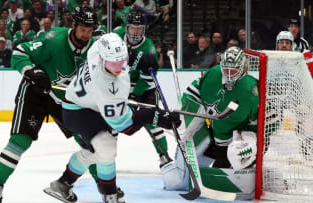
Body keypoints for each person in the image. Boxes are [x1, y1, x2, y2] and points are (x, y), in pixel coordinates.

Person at [44, 32, 181, 203]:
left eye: (121, 59)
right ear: (102, 59)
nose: (118, 66)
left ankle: (62, 184)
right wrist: (155, 116)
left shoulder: (97, 49)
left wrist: (135, 57)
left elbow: (111, 41)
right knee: (106, 147)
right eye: (113, 61)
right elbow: (126, 126)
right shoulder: (109, 88)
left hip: (88, 103)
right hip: (77, 110)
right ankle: (109, 194)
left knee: (94, 150)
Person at [0, 5, 98, 203]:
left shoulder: (95, 50)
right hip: (35, 92)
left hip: (65, 99)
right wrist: (31, 71)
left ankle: (92, 188)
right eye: (83, 29)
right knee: (20, 140)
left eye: (90, 30)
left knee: (91, 144)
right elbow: (19, 52)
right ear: (73, 25)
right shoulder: (52, 39)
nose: (86, 34)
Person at [163, 46, 259, 198]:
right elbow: (193, 94)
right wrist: (184, 117)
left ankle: (247, 175)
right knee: (182, 165)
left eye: (233, 70)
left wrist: (251, 142)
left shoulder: (251, 90)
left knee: (235, 155)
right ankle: (176, 171)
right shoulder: (213, 74)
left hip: (235, 136)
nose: (228, 74)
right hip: (213, 131)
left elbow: (256, 122)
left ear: (243, 68)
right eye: (225, 68)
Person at [113, 8, 173, 171]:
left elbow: (147, 78)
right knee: (113, 120)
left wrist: (135, 93)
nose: (136, 32)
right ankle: (107, 155)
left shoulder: (149, 48)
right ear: (127, 28)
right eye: (133, 28)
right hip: (121, 85)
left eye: (139, 29)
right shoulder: (115, 36)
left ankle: (164, 157)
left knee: (153, 121)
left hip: (145, 87)